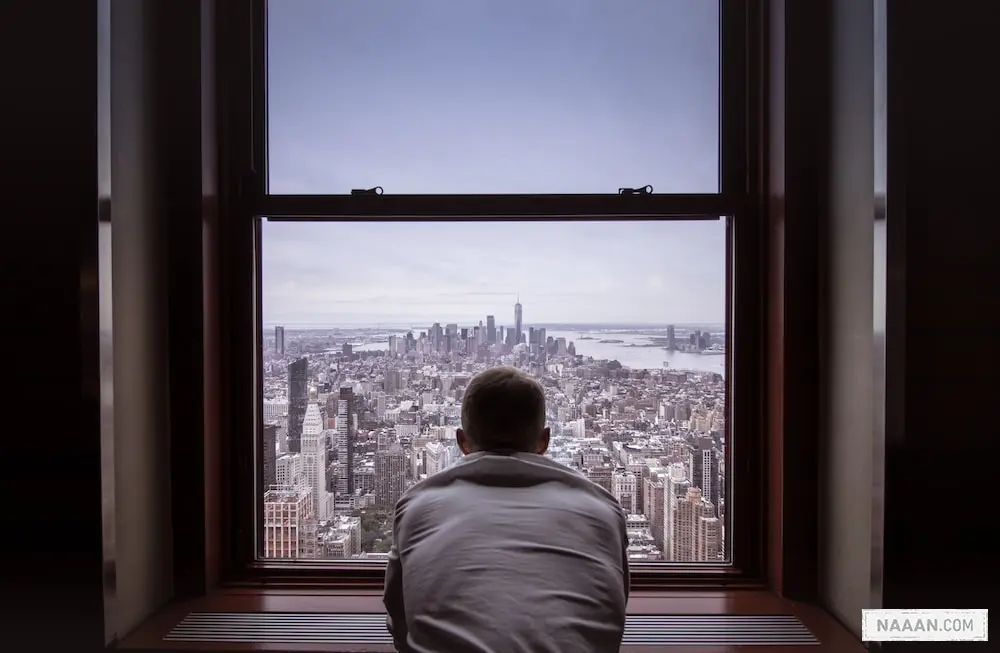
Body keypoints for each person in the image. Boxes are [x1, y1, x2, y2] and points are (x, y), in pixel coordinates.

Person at [383, 366, 629, 653]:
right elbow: (613, 610)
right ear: (544, 440)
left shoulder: (418, 507)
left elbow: (398, 617)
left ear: (462, 441)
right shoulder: (602, 510)